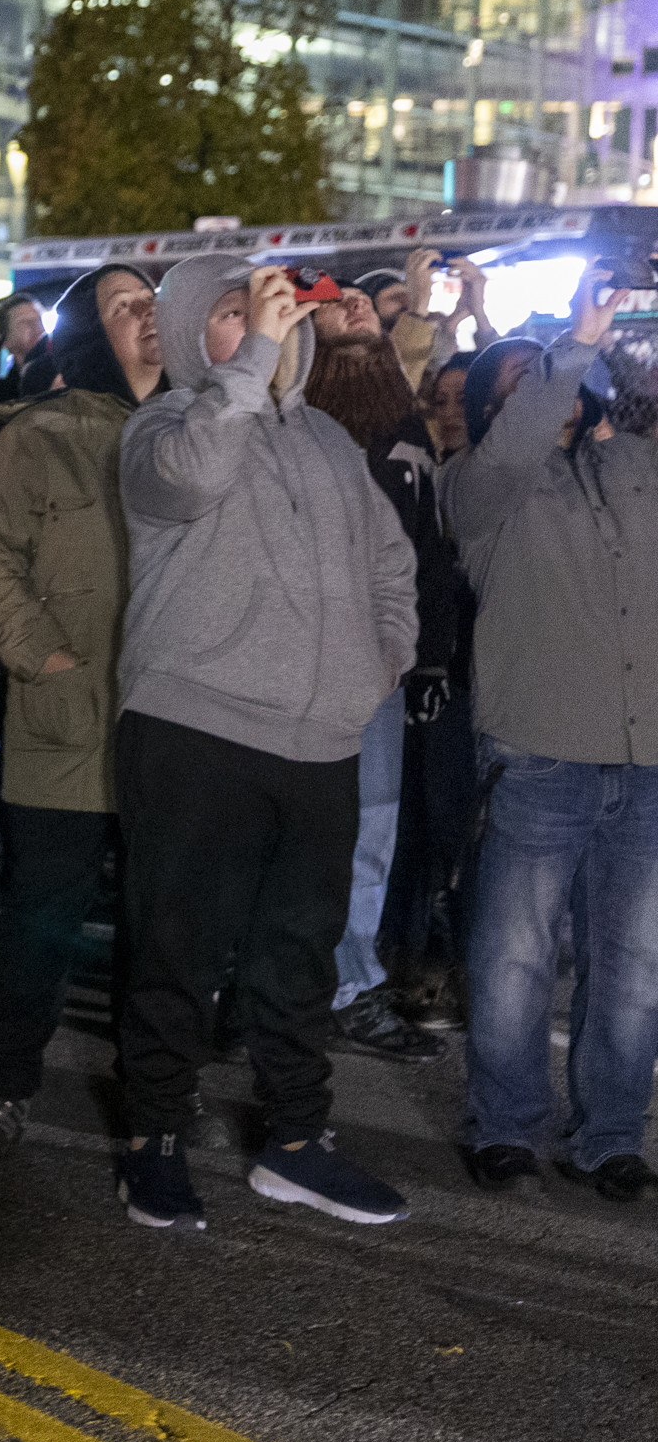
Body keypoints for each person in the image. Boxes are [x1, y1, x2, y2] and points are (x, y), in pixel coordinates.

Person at [111, 258, 416, 1232]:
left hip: (321, 738)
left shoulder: (328, 437)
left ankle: (296, 1141)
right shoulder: (162, 422)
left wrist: (380, 664)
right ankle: (151, 1139)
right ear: (200, 327)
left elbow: (391, 564)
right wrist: (247, 368)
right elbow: (192, 480)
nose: (263, 328)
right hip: (194, 726)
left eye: (270, 315)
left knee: (300, 954)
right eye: (234, 314)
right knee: (175, 947)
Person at [443, 266, 658, 1199]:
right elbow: (518, 440)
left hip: (647, 760)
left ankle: (611, 1135)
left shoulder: (628, 471)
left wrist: (610, 397)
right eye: (523, 380)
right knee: (515, 956)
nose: (554, 393)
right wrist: (568, 351)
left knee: (635, 964)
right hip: (539, 753)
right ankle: (506, 1126)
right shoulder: (483, 490)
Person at [0, 267, 161, 1150]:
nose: (147, 316)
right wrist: (43, 656)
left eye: (153, 302)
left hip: (178, 732)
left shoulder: (211, 429)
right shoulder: (48, 436)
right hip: (68, 721)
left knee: (165, 930)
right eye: (122, 307)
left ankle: (154, 1108)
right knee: (40, 922)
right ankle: (3, 1083)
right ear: (86, 337)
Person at [302, 285, 458, 1064]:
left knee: (371, 830)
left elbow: (429, 551)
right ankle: (270, 979)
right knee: (285, 828)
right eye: (338, 302)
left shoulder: (405, 427)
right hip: (291, 658)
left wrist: (428, 655)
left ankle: (351, 984)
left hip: (383, 669)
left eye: (365, 300)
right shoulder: (289, 416)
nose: (357, 307)